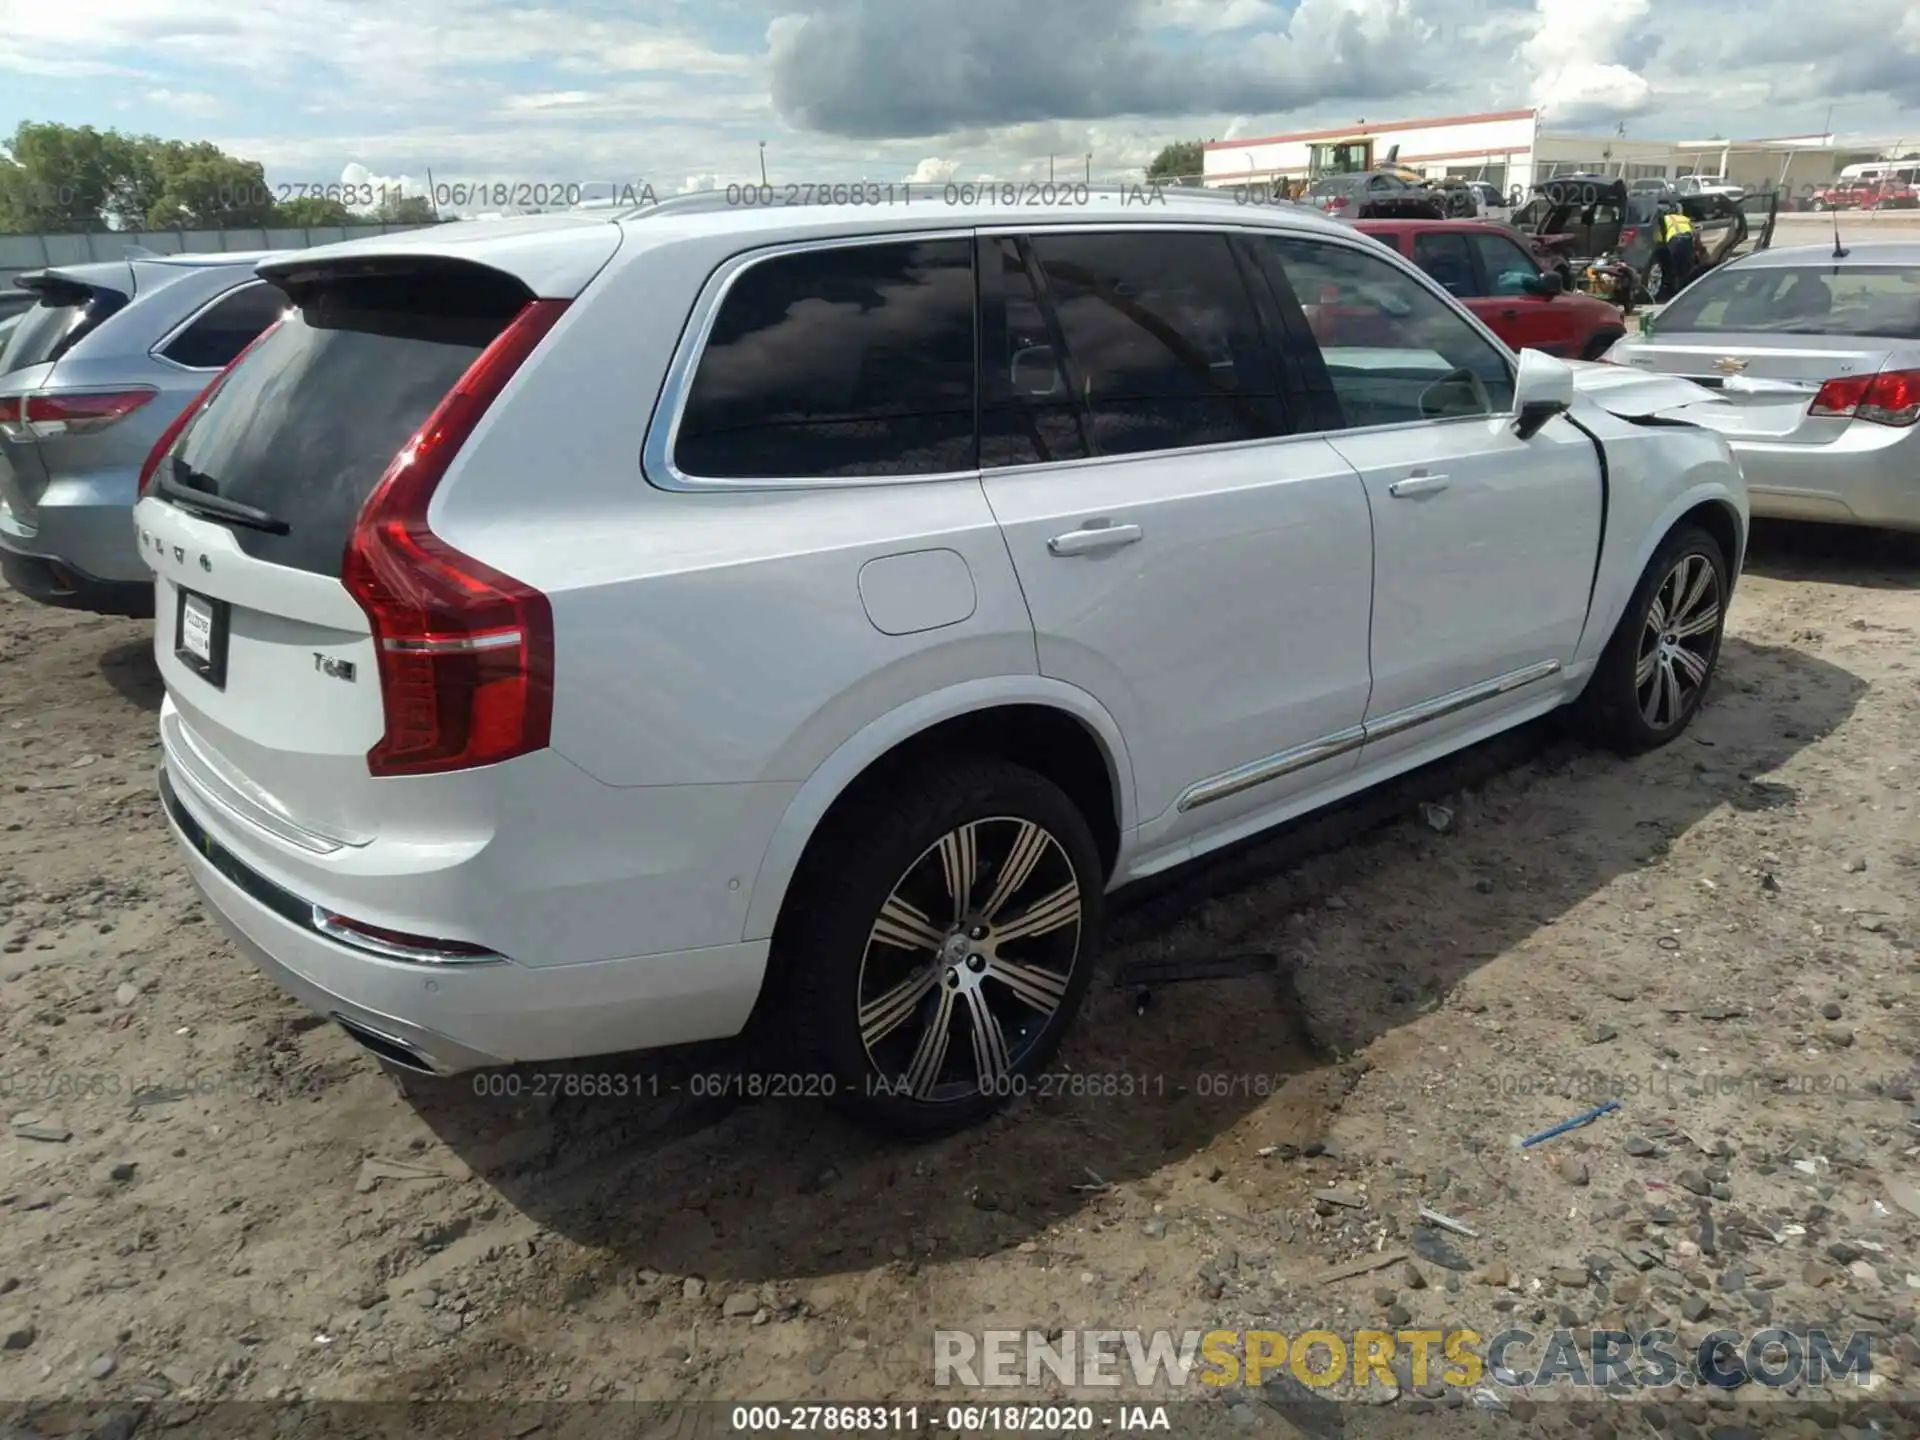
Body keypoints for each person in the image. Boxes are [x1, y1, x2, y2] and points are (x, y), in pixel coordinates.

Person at [1655, 201, 1695, 301]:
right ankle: (1685, 289)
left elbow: (1662, 233)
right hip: (1687, 240)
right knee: (1685, 267)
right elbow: (1694, 232)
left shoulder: (1665, 218)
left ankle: (1672, 292)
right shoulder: (1685, 218)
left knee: (1672, 267)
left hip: (1674, 240)